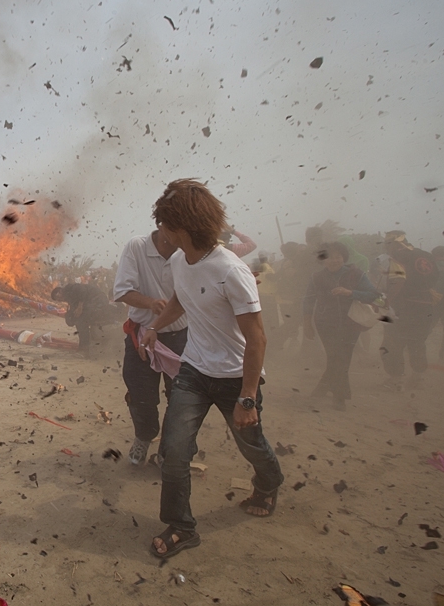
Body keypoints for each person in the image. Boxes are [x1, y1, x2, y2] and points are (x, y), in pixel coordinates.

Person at [140, 179, 282, 559]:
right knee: (172, 453)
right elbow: (179, 300)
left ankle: (269, 483)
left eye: (165, 226)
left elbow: (258, 340)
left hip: (237, 378)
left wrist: (248, 399)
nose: (161, 233)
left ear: (181, 230)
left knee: (251, 444)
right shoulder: (178, 261)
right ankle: (182, 527)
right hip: (194, 371)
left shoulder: (231, 271)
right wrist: (153, 327)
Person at [113, 228, 187, 465]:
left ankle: (168, 449)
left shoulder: (189, 249)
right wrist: (151, 303)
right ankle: (144, 436)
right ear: (162, 224)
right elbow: (123, 291)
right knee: (140, 394)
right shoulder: (137, 246)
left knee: (180, 398)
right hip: (142, 336)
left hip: (181, 338)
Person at [302, 242, 380, 410]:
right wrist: (307, 323)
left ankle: (330, 393)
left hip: (350, 323)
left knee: (341, 359)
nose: (334, 260)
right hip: (324, 323)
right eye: (329, 257)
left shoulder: (356, 275)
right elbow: (308, 300)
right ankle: (332, 393)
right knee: (336, 357)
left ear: (344, 258)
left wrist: (351, 293)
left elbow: (373, 295)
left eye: (338, 256)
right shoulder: (316, 277)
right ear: (322, 259)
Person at [379, 231, 439, 391]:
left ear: (394, 244)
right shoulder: (427, 256)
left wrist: (387, 301)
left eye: (387, 245)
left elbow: (398, 281)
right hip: (426, 306)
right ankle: (418, 378)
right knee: (417, 341)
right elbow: (436, 278)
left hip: (403, 307)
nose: (386, 248)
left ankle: (396, 379)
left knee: (392, 342)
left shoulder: (398, 257)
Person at [50, 282, 119, 356]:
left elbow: (82, 290)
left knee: (81, 322)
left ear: (60, 292)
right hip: (94, 303)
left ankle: (84, 348)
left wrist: (80, 306)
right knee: (79, 320)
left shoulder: (69, 288)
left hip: (98, 301)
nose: (59, 300)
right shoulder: (70, 299)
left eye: (57, 297)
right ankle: (85, 346)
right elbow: (73, 311)